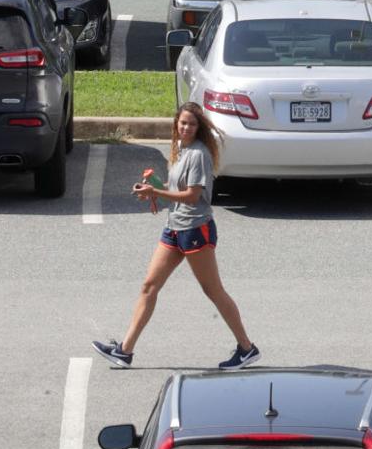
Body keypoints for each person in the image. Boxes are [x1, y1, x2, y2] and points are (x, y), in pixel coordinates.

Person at [93, 102, 259, 370]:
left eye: (192, 124)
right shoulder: (180, 149)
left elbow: (192, 196)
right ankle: (125, 351)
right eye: (182, 123)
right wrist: (153, 188)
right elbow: (176, 187)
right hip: (174, 227)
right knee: (149, 286)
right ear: (176, 124)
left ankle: (247, 348)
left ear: (199, 127)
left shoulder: (199, 154)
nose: (186, 128)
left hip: (195, 229)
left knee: (213, 290)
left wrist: (156, 193)